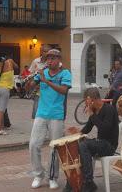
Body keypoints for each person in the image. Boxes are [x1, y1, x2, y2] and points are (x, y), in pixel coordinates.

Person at [26, 49, 72, 189]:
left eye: (52, 58)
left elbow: (64, 90)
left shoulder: (65, 73)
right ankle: (38, 174)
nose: (49, 61)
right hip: (41, 113)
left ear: (59, 59)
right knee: (34, 144)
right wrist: (30, 80)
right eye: (48, 58)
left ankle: (52, 177)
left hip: (56, 115)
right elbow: (28, 89)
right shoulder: (42, 73)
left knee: (54, 148)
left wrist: (46, 81)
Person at [65, 87, 119, 192]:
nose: (85, 103)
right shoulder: (94, 110)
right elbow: (88, 128)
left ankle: (88, 181)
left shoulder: (109, 109)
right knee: (78, 143)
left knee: (84, 145)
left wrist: (92, 115)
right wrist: (78, 132)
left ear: (91, 99)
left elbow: (105, 129)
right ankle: (73, 180)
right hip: (100, 143)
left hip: (109, 145)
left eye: (86, 100)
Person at [29, 44, 52, 119]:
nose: (47, 53)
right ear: (41, 52)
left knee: (47, 112)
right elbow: (31, 74)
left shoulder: (52, 63)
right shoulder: (36, 61)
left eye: (48, 52)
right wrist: (33, 83)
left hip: (49, 90)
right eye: (45, 51)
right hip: (38, 89)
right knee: (35, 112)